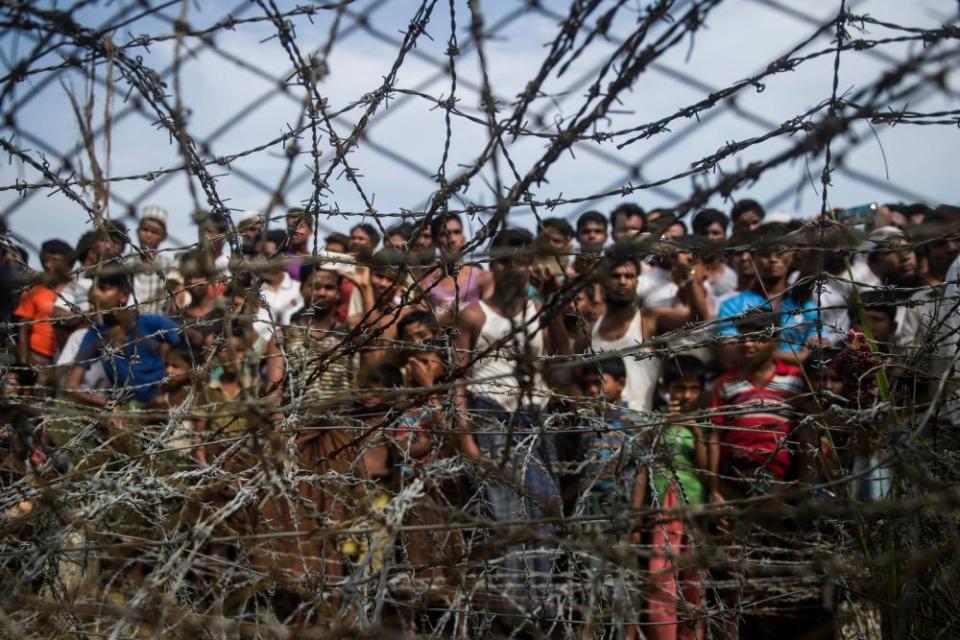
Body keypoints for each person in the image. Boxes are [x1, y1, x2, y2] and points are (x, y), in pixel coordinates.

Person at [455, 228, 567, 602]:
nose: (516, 269)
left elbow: (561, 361)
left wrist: (556, 306)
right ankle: (511, 605)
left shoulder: (538, 312)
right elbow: (457, 383)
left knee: (544, 507)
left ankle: (539, 601)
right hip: (492, 418)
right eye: (507, 261)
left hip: (536, 418)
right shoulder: (474, 316)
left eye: (523, 260)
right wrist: (465, 437)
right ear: (493, 265)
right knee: (507, 515)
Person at [582, 244, 709, 413]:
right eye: (615, 276)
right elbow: (574, 375)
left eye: (629, 276)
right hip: (598, 427)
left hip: (639, 426)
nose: (622, 281)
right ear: (605, 282)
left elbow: (697, 320)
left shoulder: (648, 319)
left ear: (636, 282)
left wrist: (690, 276)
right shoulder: (591, 327)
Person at [635, 355, 709, 640]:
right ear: (667, 388)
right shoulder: (657, 422)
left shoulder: (705, 422)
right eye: (680, 388)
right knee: (661, 581)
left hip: (694, 508)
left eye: (693, 388)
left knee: (693, 583)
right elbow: (644, 466)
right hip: (662, 510)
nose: (686, 395)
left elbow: (706, 471)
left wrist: (695, 429)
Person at [708, 312, 816, 502]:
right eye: (743, 337)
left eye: (757, 337)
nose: (748, 343)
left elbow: (805, 429)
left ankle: (803, 493)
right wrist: (714, 489)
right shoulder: (725, 383)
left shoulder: (795, 380)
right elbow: (715, 436)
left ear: (775, 342)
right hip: (734, 469)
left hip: (777, 469)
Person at [64, 268, 184, 408]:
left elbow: (188, 347)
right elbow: (72, 385)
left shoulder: (148, 322)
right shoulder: (95, 334)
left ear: (124, 295)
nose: (95, 294)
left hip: (166, 398)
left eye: (103, 288)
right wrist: (108, 405)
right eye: (93, 288)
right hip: (130, 407)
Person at [717, 223, 818, 364]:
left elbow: (816, 356)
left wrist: (756, 352)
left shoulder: (807, 305)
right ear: (753, 257)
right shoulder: (732, 305)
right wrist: (800, 357)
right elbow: (730, 356)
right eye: (765, 254)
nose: (772, 259)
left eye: (780, 252)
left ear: (792, 255)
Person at [264, 263, 357, 412]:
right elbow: (273, 392)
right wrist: (280, 427)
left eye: (329, 287)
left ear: (339, 293)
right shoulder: (283, 336)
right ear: (302, 289)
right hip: (297, 427)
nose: (321, 292)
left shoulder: (347, 337)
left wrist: (365, 287)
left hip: (340, 426)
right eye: (314, 286)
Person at [15, 239, 74, 391]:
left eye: (55, 261)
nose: (48, 266)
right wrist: (24, 361)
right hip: (38, 356)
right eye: (46, 261)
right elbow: (23, 328)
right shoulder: (35, 290)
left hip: (67, 355)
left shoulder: (75, 289)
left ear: (67, 263)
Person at [421, 213, 490, 321]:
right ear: (435, 242)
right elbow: (423, 325)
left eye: (457, 232)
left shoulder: (481, 278)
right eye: (445, 234)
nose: (452, 239)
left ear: (463, 238)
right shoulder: (427, 283)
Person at [129, 206, 172, 314]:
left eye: (154, 232)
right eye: (145, 229)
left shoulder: (169, 267)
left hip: (158, 328)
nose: (148, 235)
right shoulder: (125, 264)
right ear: (138, 232)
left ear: (163, 236)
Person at [284, 208, 313, 280]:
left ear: (311, 231)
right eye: (290, 227)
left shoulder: (315, 258)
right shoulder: (283, 259)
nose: (294, 231)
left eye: (300, 226)